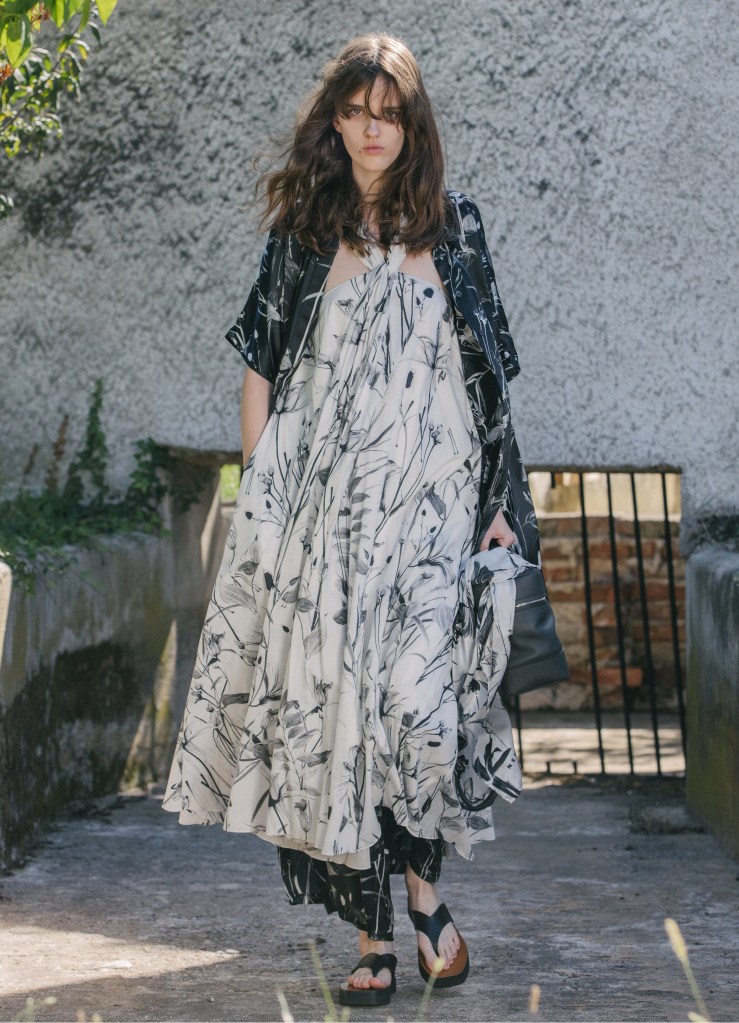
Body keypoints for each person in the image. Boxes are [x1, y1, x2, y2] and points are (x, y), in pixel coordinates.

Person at [163, 32, 540, 1008]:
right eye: (358, 111)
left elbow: (489, 380)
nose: (374, 130)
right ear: (335, 120)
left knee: (415, 717)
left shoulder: (455, 229)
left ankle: (423, 897)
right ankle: (379, 934)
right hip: (323, 529)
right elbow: (258, 368)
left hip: (430, 526)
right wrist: (262, 497)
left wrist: (502, 506)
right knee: (337, 733)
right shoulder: (303, 233)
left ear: (412, 127)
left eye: (390, 114)